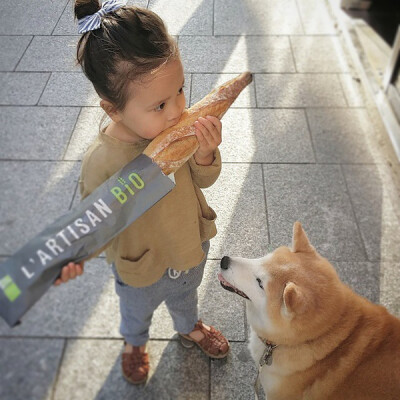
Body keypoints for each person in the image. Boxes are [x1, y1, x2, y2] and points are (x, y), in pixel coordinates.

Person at [55, 0, 229, 384]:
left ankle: (188, 327)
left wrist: (204, 152)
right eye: (160, 105)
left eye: (180, 90)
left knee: (186, 297)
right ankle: (134, 343)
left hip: (188, 246)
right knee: (137, 313)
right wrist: (74, 258)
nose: (177, 110)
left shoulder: (178, 132)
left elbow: (204, 181)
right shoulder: (101, 162)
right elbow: (95, 221)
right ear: (113, 110)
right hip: (140, 266)